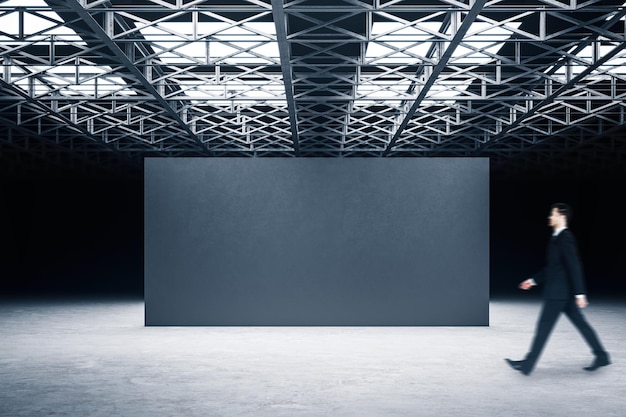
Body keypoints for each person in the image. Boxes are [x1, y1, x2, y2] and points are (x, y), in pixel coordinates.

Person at [505, 203, 610, 375]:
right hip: (562, 294)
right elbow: (553, 268)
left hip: (558, 294)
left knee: (543, 328)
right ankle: (602, 356)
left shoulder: (565, 238)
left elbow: (574, 266)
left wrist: (580, 293)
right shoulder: (556, 238)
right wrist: (533, 280)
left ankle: (527, 366)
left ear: (562, 216)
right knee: (581, 325)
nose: (549, 217)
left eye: (552, 214)